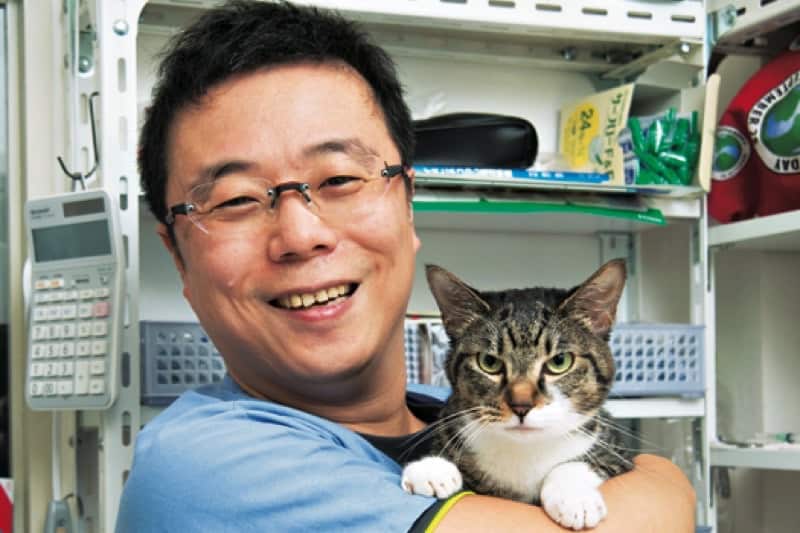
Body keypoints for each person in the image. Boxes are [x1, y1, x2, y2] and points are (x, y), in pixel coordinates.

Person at [116, 1, 696, 531]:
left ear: (408, 204)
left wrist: (662, 485)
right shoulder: (204, 467)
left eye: (339, 179)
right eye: (236, 199)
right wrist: (665, 486)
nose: (301, 235)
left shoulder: (438, 411)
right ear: (178, 257)